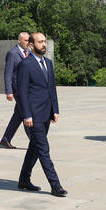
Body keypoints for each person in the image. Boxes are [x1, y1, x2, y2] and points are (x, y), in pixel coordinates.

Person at [15, 32, 67, 197]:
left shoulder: (48, 63)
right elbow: (22, 92)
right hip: (33, 115)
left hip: (46, 113)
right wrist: (26, 115)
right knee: (43, 149)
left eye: (45, 41)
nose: (43, 44)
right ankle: (55, 185)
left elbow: (51, 87)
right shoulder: (25, 64)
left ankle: (24, 179)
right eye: (40, 42)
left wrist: (55, 109)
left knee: (34, 148)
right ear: (31, 44)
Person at [0, 32, 30, 149]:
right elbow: (8, 74)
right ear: (19, 41)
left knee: (18, 115)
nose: (28, 42)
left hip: (27, 89)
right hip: (18, 90)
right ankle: (35, 142)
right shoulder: (12, 53)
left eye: (29, 40)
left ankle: (6, 139)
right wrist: (9, 91)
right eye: (26, 40)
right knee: (27, 114)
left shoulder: (28, 53)